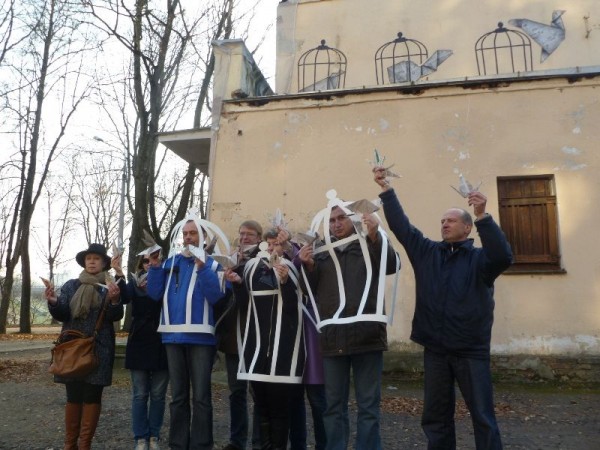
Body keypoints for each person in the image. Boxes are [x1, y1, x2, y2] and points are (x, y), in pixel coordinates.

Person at [373, 167, 513, 450]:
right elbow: (403, 228)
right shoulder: (427, 253)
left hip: (470, 350)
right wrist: (387, 191)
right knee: (436, 417)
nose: (445, 224)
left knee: (483, 417)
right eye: (442, 221)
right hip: (435, 349)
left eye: (451, 220)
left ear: (466, 227)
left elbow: (503, 256)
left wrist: (483, 216)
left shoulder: (480, 260)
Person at [298, 193, 399, 450]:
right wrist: (307, 266)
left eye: (342, 217)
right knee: (333, 406)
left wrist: (376, 235)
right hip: (333, 338)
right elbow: (309, 292)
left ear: (352, 219)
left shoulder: (368, 244)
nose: (336, 223)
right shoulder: (321, 254)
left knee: (368, 405)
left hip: (367, 335)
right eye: (332, 219)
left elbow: (391, 265)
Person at [146, 216, 224, 450]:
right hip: (172, 336)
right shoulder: (170, 262)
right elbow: (154, 294)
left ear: (203, 238)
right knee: (178, 396)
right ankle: (178, 444)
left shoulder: (213, 264)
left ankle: (201, 444)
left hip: (201, 337)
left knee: (201, 396)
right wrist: (155, 268)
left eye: (193, 233)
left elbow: (216, 297)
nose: (188, 237)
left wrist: (202, 269)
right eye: (186, 233)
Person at [226, 230, 305, 450]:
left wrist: (285, 281)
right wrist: (237, 284)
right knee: (261, 405)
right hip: (257, 350)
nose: (271, 249)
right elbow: (244, 305)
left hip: (283, 353)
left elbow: (292, 308)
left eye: (275, 245)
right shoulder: (254, 269)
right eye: (268, 245)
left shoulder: (290, 268)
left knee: (279, 408)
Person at [44, 243, 125, 450]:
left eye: (96, 259)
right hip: (72, 348)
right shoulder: (71, 285)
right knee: (73, 396)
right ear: (84, 262)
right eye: (88, 258)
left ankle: (84, 445)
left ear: (104, 263)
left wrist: (115, 300)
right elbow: (62, 312)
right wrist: (53, 301)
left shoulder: (109, 286)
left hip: (99, 348)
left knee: (92, 396)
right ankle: (70, 444)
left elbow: (115, 316)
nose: (91, 261)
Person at [216, 220, 263, 450]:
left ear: (259, 237)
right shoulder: (232, 260)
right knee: (236, 392)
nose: (244, 237)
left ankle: (258, 440)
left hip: (255, 335)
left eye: (250, 234)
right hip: (233, 336)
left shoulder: (262, 259)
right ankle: (237, 440)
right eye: (241, 233)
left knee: (258, 392)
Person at [120, 253, 169, 450]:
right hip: (139, 341)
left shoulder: (168, 278)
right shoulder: (134, 283)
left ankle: (154, 436)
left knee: (158, 394)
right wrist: (117, 272)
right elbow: (123, 298)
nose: (149, 264)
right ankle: (140, 437)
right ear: (142, 264)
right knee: (140, 394)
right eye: (146, 261)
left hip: (162, 341)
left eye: (153, 260)